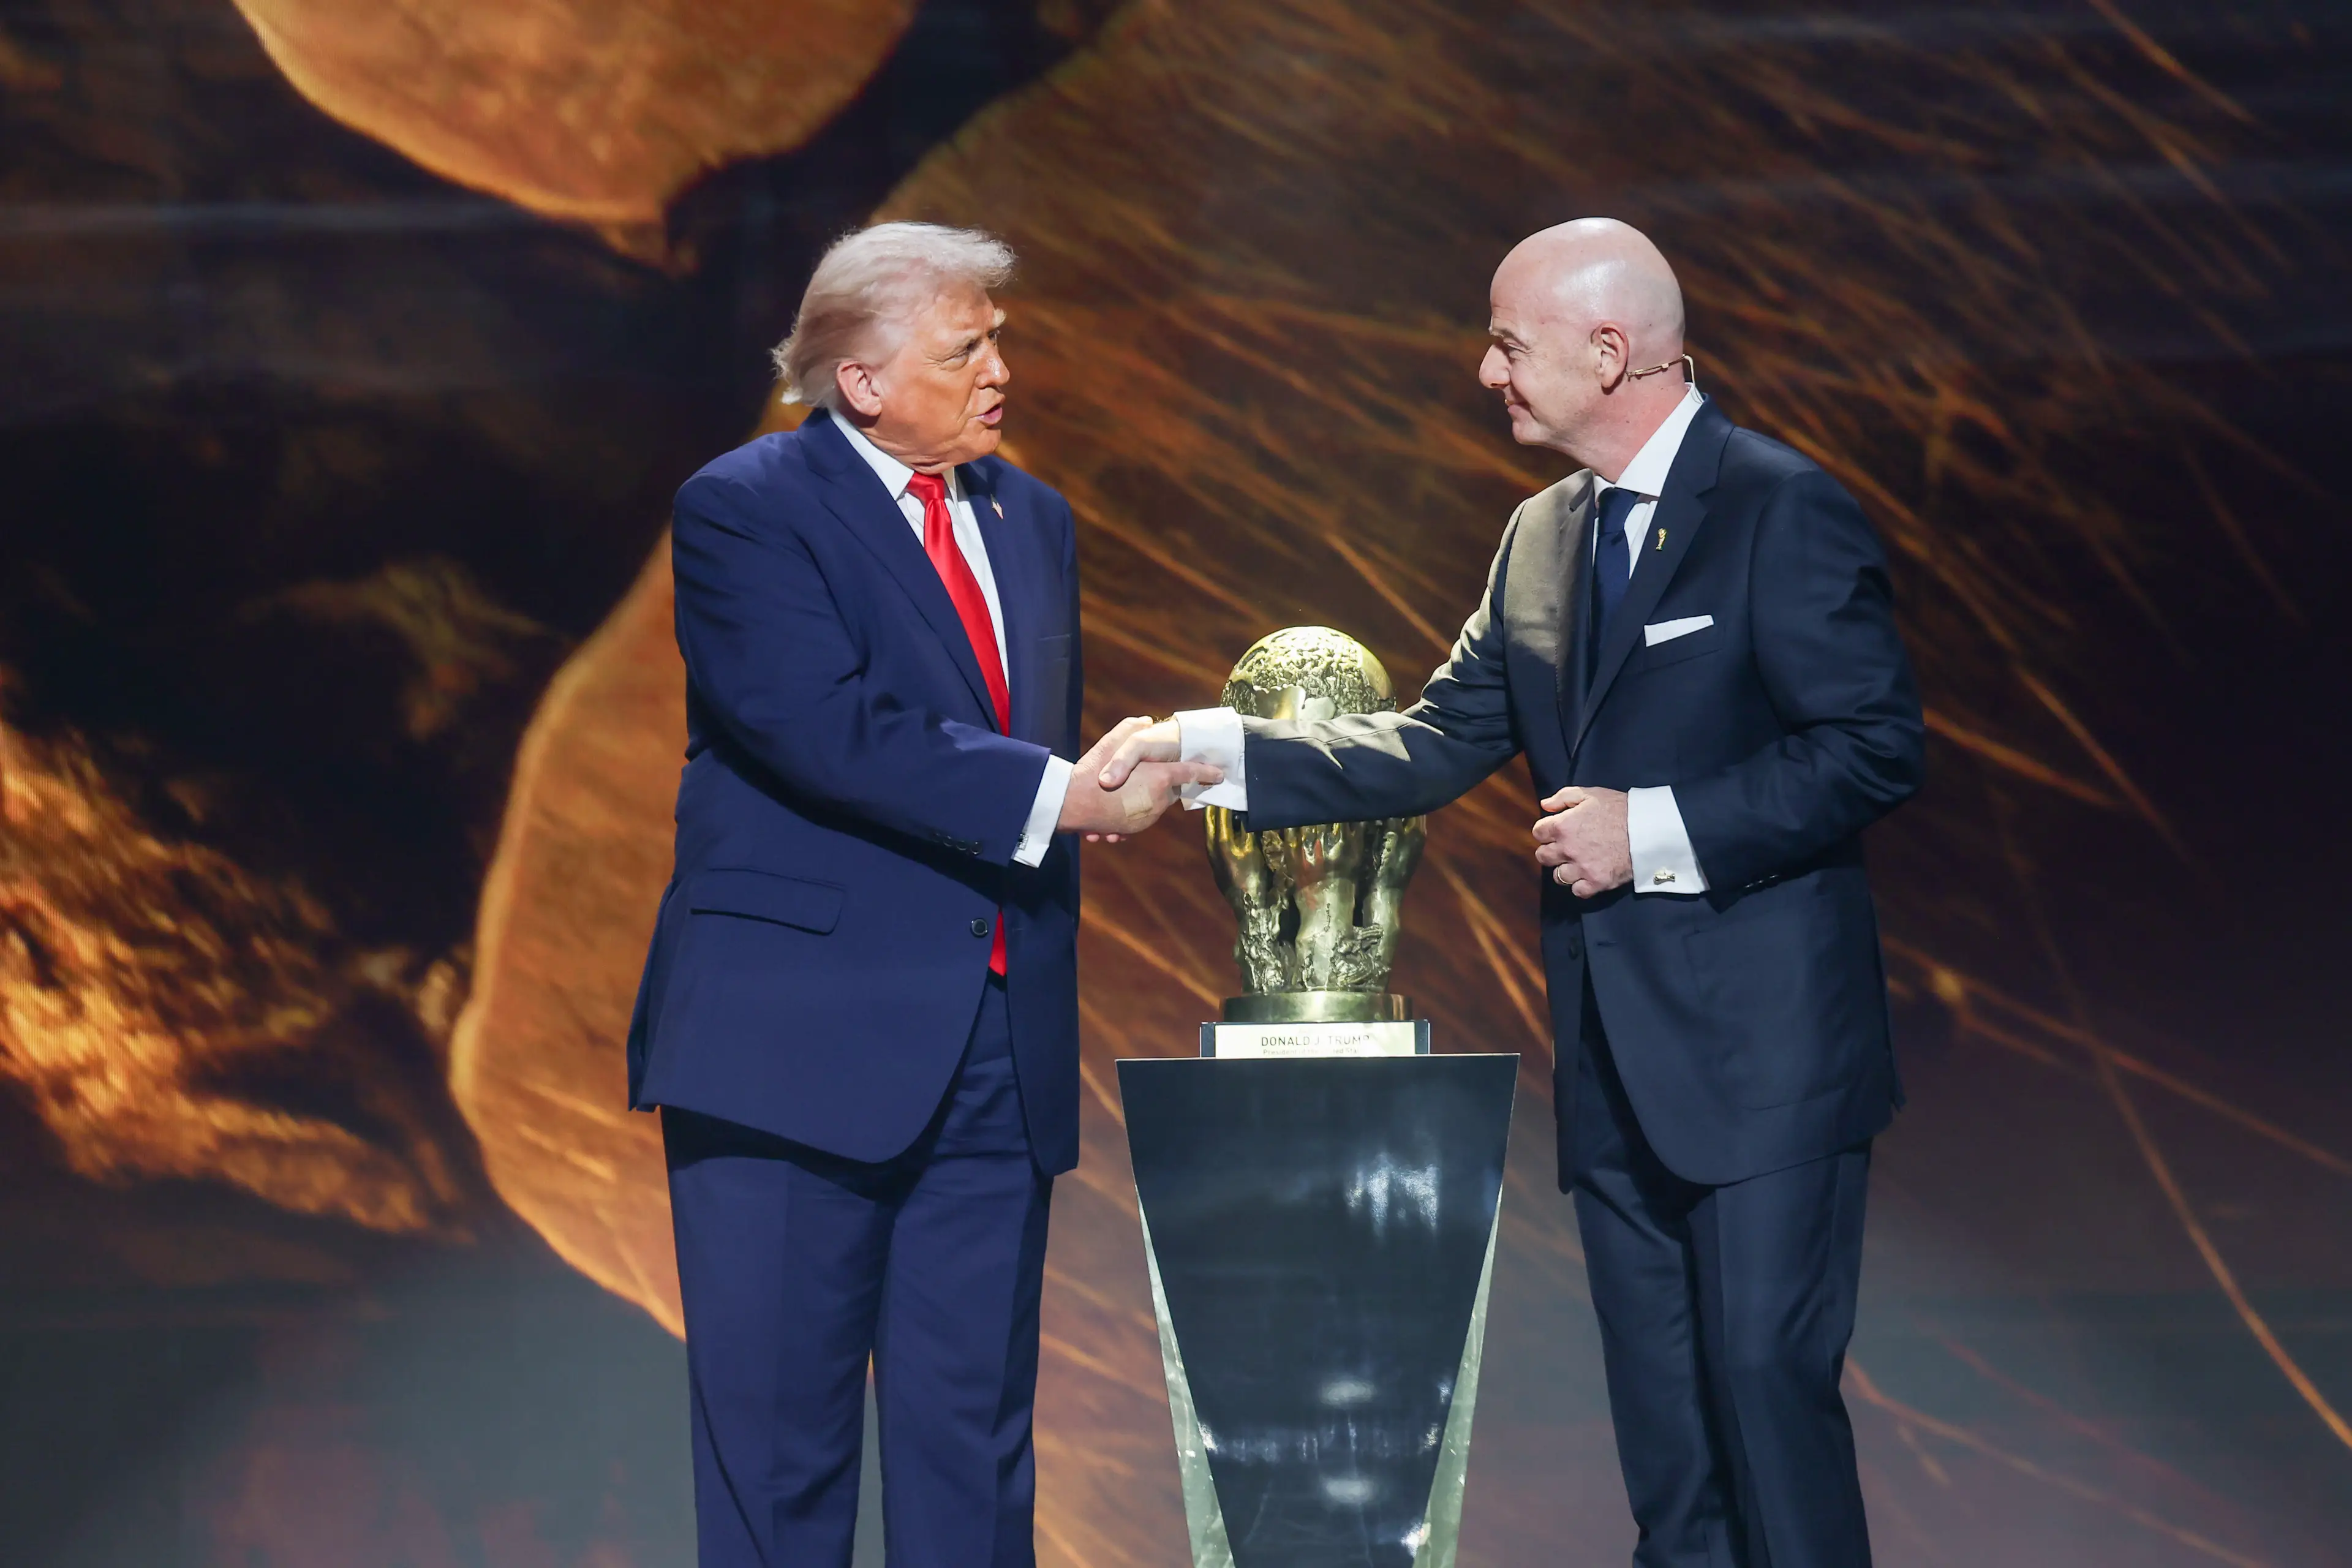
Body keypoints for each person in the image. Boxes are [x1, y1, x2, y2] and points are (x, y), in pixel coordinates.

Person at [1104, 217, 1924, 1567]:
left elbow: (1873, 748)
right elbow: (1429, 741)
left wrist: (1648, 830)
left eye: (1507, 342)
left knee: (1767, 1402)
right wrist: (1212, 747)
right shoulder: (1539, 537)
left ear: (1610, 353)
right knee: (1670, 1450)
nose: (1485, 372)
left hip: (1768, 1061)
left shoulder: (1781, 507)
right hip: (1617, 1068)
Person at [625, 221, 1218, 1568]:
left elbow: (1011, 741)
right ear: (862, 381)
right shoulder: (744, 507)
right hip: (794, 1051)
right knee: (781, 1464)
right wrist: (1067, 793)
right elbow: (824, 729)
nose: (1001, 367)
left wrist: (1115, 776)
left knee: (975, 1457)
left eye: (998, 337)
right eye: (967, 348)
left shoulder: (1033, 516)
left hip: (992, 1058)